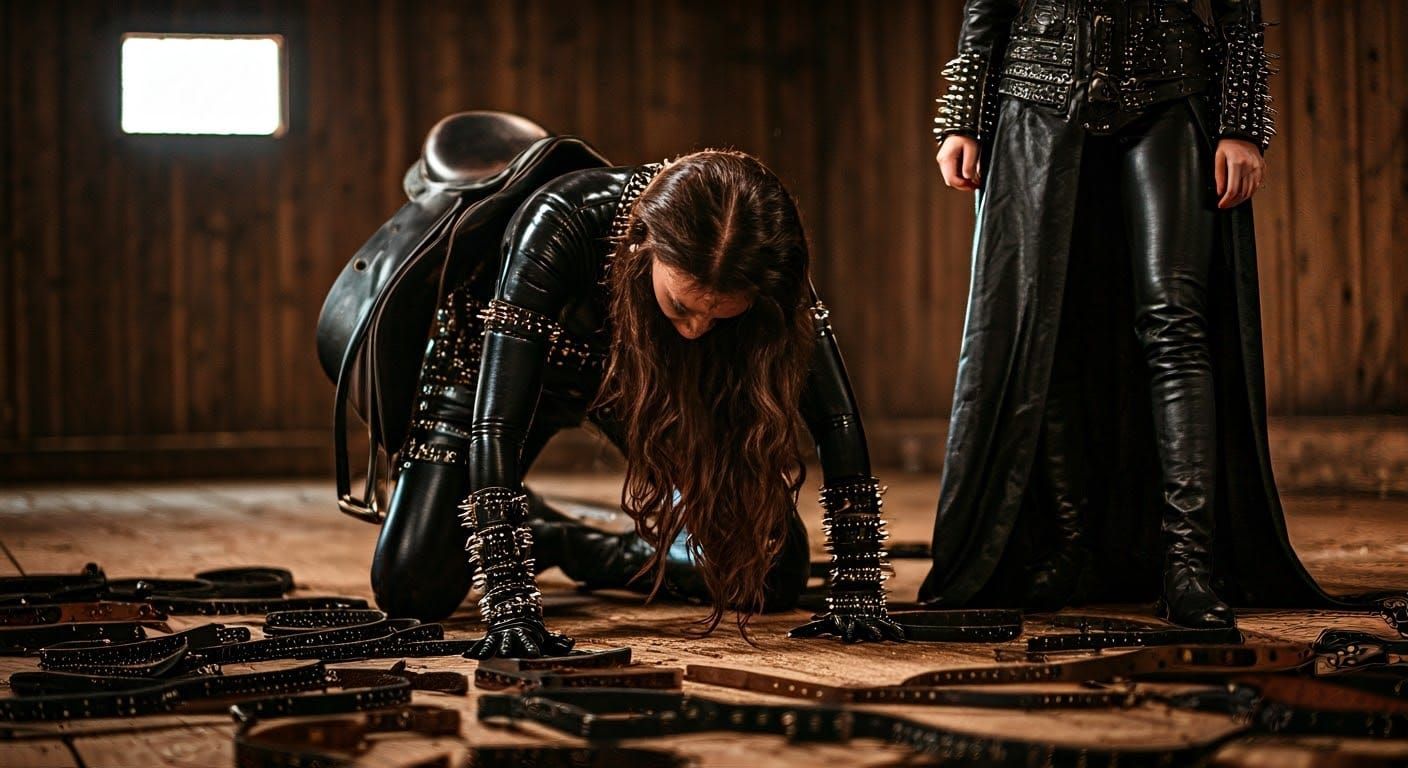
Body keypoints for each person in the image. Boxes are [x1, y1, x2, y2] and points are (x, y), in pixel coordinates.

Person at [371, 149, 905, 657]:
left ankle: (560, 542)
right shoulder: (562, 219)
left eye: (721, 316)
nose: (696, 331)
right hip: (481, 375)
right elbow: (497, 425)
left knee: (769, 574)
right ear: (646, 243)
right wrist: (510, 604)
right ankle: (513, 521)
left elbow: (835, 418)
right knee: (412, 586)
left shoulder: (766, 255)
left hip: (633, 380)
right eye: (682, 306)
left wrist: (858, 589)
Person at [921, 0, 1334, 628]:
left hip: (1169, 82)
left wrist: (1242, 123)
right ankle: (1071, 546)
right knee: (1046, 326)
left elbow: (1238, 6)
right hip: (1036, 85)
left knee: (1176, 324)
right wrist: (963, 119)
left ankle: (1187, 564)